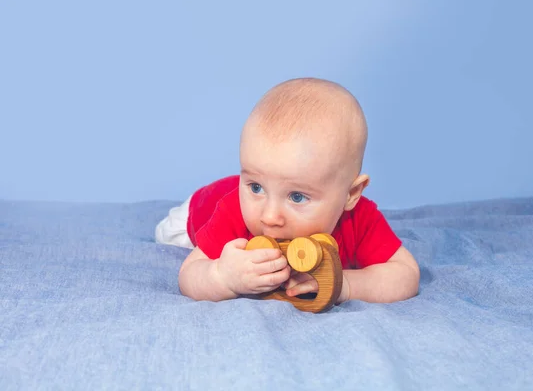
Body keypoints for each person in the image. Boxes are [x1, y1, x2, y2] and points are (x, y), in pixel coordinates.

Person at [155, 77, 420, 305]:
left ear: (350, 195)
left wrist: (344, 285)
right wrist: (221, 277)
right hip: (203, 206)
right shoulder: (233, 209)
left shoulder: (359, 219)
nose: (269, 217)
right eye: (256, 187)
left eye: (297, 196)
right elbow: (189, 275)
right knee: (168, 233)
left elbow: (406, 274)